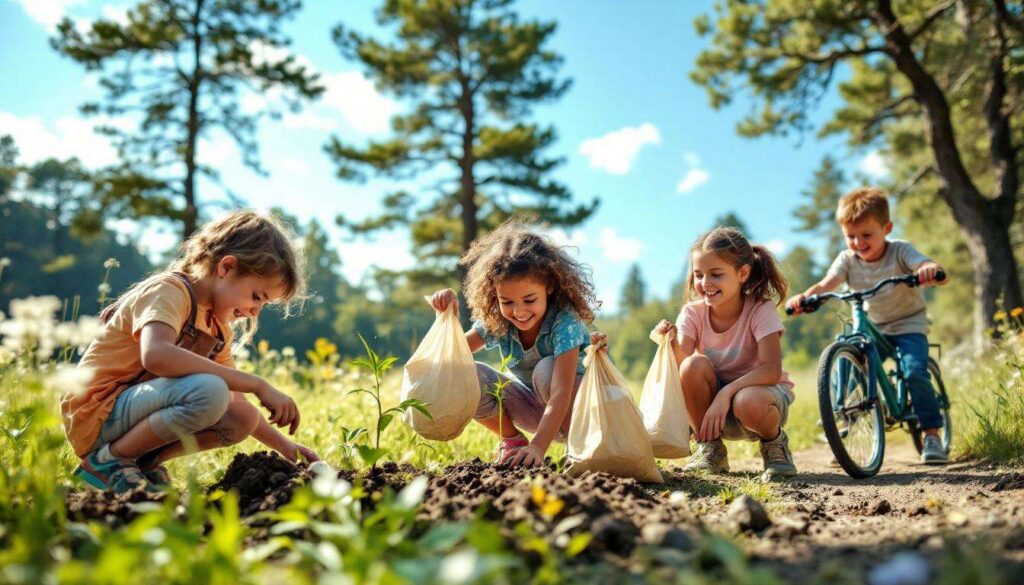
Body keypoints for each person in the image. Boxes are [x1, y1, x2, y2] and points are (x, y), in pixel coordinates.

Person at [62, 211, 319, 492]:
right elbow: (156, 355)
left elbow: (237, 401)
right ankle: (111, 462)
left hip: (128, 415)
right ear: (226, 268)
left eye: (264, 304)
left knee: (241, 415)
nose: (256, 310)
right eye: (256, 296)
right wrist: (257, 383)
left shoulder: (217, 329)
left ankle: (141, 462)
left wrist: (285, 447)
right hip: (98, 412)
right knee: (210, 390)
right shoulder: (169, 290)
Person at [786, 187, 948, 464]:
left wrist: (928, 269)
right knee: (845, 362)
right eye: (850, 236)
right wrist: (805, 297)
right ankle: (844, 427)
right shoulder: (847, 260)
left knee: (914, 371)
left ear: (886, 228)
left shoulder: (900, 251)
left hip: (909, 324)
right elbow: (827, 284)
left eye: (866, 235)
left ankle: (931, 434)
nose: (858, 242)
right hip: (873, 326)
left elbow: (923, 262)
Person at [428, 220, 604, 467]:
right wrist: (447, 317)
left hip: (583, 414)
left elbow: (562, 392)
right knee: (468, 372)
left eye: (529, 300)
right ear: (494, 294)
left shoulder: (565, 323)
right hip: (538, 410)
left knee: (545, 371)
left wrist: (539, 447)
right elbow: (453, 353)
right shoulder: (497, 321)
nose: (519, 311)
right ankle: (513, 441)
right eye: (507, 302)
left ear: (550, 287)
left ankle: (580, 447)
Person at [655, 226, 796, 480]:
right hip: (711, 413)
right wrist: (670, 342)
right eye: (698, 275)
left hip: (759, 402)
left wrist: (727, 392)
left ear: (742, 273)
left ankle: (774, 444)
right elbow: (683, 367)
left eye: (716, 274)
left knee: (747, 400)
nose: (705, 283)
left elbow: (771, 370)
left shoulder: (760, 310)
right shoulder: (692, 313)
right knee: (692, 366)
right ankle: (710, 447)